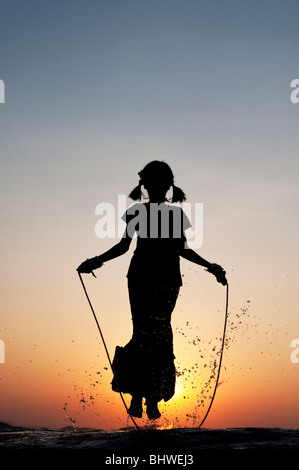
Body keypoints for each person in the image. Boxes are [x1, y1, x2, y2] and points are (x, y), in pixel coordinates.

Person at [77, 161, 227, 420]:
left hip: (168, 281)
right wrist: (95, 261)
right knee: (143, 334)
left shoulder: (177, 215)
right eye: (152, 182)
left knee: (160, 336)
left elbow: (183, 250)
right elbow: (123, 247)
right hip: (140, 279)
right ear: (144, 186)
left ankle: (153, 398)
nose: (157, 187)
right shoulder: (136, 212)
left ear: (169, 186)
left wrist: (211, 267)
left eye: (161, 182)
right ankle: (138, 395)